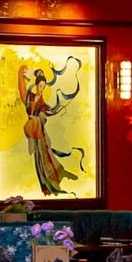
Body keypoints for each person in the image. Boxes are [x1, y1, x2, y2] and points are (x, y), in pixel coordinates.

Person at [19, 59, 87, 194]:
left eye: (44, 87)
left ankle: (53, 181)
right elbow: (21, 89)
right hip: (34, 130)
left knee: (46, 156)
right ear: (36, 85)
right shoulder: (29, 97)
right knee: (39, 159)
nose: (42, 89)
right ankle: (46, 184)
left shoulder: (43, 104)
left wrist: (38, 118)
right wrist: (22, 71)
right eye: (40, 86)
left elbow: (44, 118)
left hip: (38, 132)